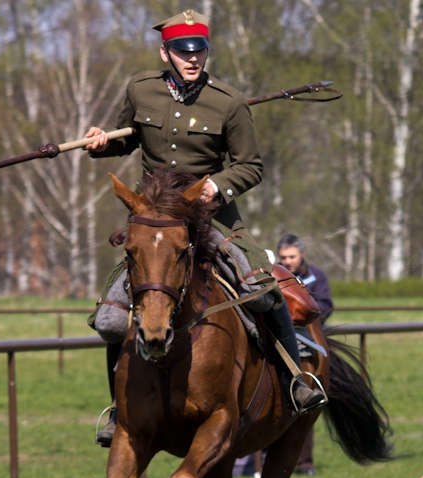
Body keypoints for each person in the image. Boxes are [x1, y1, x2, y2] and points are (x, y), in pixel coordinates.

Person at [83, 9, 325, 447]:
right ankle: (120, 408)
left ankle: (294, 380)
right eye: (183, 51)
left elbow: (251, 166)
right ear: (166, 52)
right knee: (112, 319)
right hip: (157, 218)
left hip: (212, 217)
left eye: (199, 50)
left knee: (263, 289)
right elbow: (128, 136)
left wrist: (217, 185)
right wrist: (101, 142)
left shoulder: (228, 102)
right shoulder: (141, 88)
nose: (192, 58)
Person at [277, 234, 334, 475]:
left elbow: (326, 305)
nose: (287, 261)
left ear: (301, 255)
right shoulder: (274, 275)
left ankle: (305, 463)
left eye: (292, 256)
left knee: (309, 401)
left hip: (312, 341)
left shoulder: (316, 276)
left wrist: (305, 318)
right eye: (283, 257)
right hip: (281, 339)